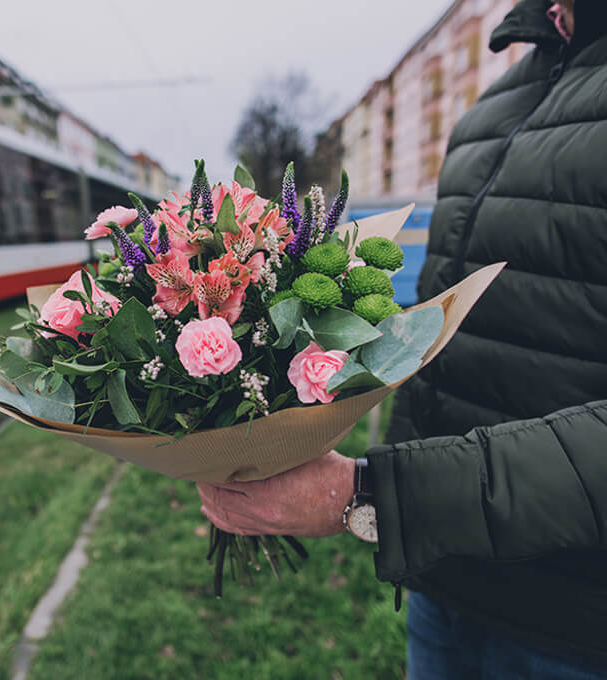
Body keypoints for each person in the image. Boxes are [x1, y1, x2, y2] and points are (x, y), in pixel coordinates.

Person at [198, 0, 607, 677]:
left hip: (576, 628)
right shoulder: (492, 110)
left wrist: (373, 496)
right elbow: (432, 341)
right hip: (443, 585)